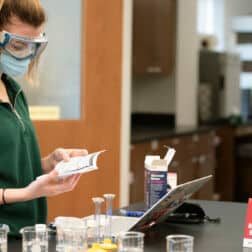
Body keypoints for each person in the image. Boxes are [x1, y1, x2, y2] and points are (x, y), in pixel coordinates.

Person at [0, 0, 88, 236]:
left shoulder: (14, 93)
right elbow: (22, 187)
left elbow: (12, 170)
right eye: (19, 44)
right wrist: (29, 193)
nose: (27, 55)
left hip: (27, 233)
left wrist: (50, 162)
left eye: (34, 46)